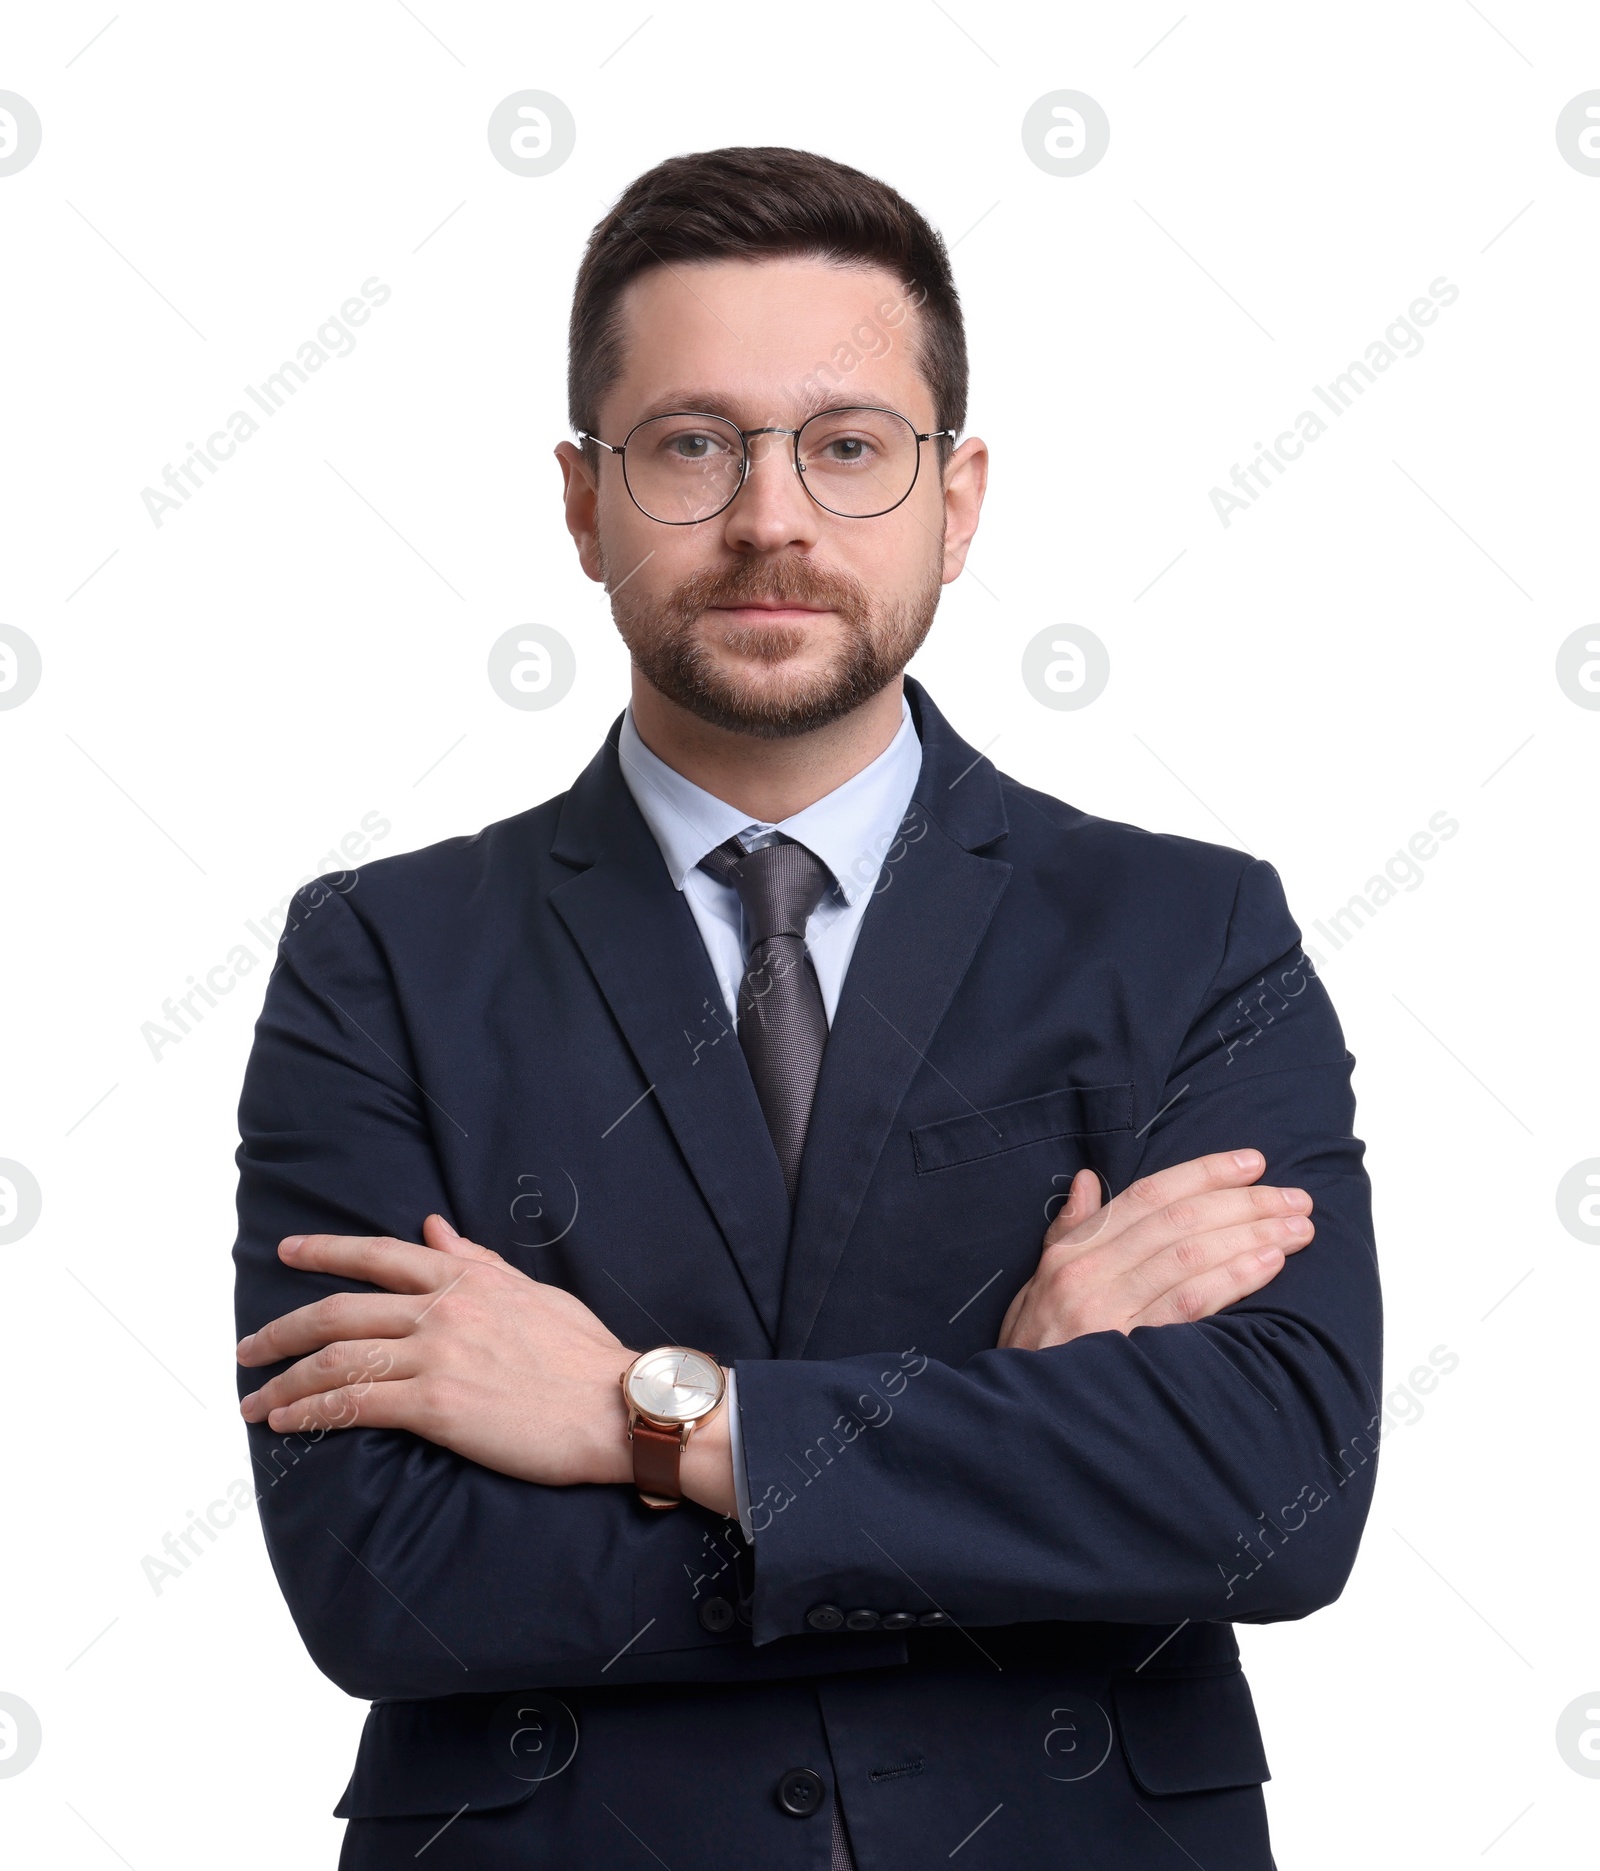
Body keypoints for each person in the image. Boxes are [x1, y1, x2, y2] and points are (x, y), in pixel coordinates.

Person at [233, 146, 1381, 1870]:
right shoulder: (381, 956)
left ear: (958, 497)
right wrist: (1008, 1434)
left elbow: (1272, 1495)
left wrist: (657, 1417)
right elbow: (387, 1577)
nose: (773, 519)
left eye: (848, 449)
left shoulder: (1191, 931)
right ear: (582, 500)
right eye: (694, 445)